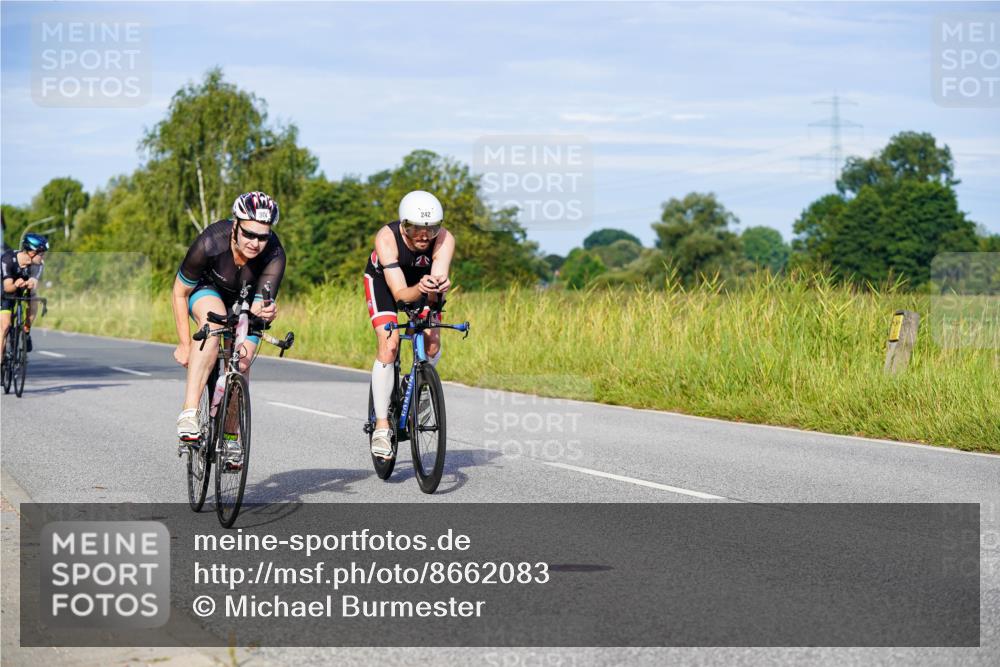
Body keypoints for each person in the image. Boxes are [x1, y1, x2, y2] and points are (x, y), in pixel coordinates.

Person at [172, 191, 285, 442]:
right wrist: (184, 343)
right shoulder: (211, 241)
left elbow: (259, 305)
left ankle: (231, 436)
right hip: (207, 291)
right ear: (236, 225)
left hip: (244, 298)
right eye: (249, 234)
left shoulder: (274, 255)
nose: (255, 243)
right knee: (214, 323)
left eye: (263, 237)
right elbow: (179, 292)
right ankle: (189, 413)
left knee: (241, 362)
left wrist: (266, 311)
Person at [364, 190, 455, 459]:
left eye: (431, 228)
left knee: (433, 342)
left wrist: (438, 289)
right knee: (390, 344)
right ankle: (382, 427)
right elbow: (401, 295)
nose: (424, 236)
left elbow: (435, 291)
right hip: (386, 283)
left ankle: (416, 383)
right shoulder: (386, 238)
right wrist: (421, 288)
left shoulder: (445, 239)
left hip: (421, 284)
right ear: (404, 225)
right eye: (416, 229)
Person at [1, 233, 49, 355]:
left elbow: (34, 282)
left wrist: (29, 283)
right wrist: (16, 285)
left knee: (33, 297)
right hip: (5, 290)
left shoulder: (38, 264)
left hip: (23, 288)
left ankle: (26, 331)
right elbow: (7, 287)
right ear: (32, 252)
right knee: (5, 326)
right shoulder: (8, 259)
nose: (42, 258)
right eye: (41, 254)